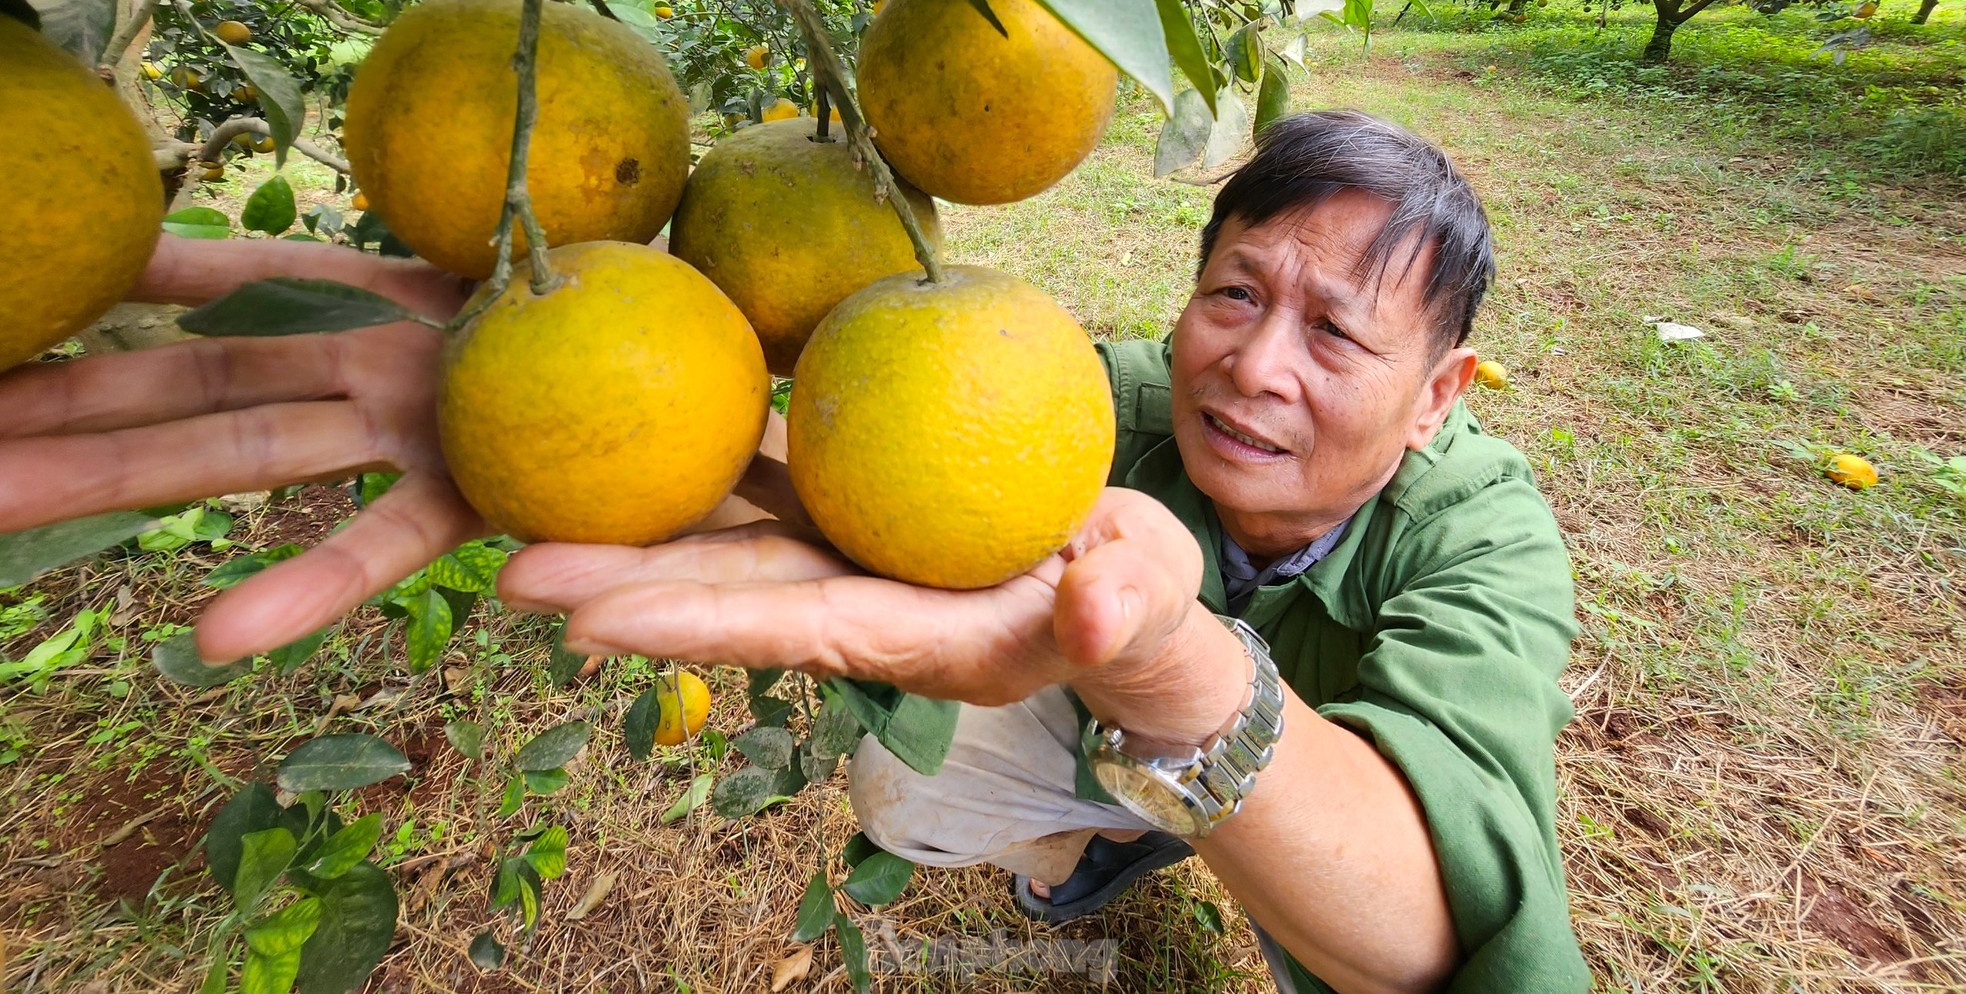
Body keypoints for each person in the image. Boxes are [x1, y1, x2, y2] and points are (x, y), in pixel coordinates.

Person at [0, 111, 1586, 993]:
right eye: (1234, 294)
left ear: (1440, 390)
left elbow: (1428, 936)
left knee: (1255, 817)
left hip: (1268, 781)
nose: (1254, 365)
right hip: (1085, 727)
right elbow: (830, 375)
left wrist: (1176, 675)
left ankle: (1161, 807)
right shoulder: (1099, 400)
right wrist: (574, 366)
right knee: (911, 786)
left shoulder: (1482, 537)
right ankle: (1109, 832)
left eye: (1335, 330)